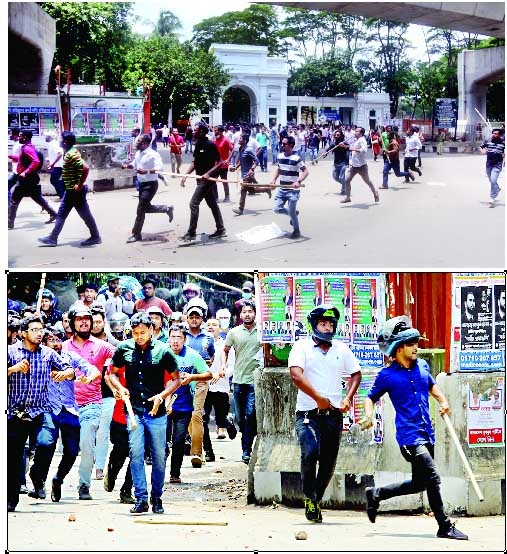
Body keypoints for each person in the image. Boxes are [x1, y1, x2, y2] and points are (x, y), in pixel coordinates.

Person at [359, 315, 468, 541]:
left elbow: (431, 385)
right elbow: (370, 398)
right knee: (433, 476)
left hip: (427, 433)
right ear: (398, 349)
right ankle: (444, 525)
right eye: (410, 344)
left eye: (416, 342)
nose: (416, 346)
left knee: (420, 483)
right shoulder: (386, 375)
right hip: (409, 438)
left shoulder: (422, 365)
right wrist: (368, 416)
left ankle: (376, 494)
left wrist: (444, 402)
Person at [288, 304, 362, 523]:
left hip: (334, 415)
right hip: (308, 413)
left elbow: (355, 374)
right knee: (310, 452)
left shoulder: (341, 349)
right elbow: (296, 376)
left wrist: (347, 398)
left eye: (330, 324)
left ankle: (315, 500)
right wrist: (318, 398)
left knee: (329, 462)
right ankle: (309, 496)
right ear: (314, 325)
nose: (327, 328)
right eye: (323, 323)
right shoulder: (301, 347)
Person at [107, 312, 180, 514]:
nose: (139, 336)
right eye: (135, 332)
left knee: (158, 456)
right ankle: (141, 498)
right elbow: (112, 373)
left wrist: (162, 396)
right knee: (136, 453)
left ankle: (157, 497)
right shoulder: (123, 349)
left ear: (151, 330)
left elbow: (176, 379)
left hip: (157, 413)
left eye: (143, 332)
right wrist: (120, 388)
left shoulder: (163, 350)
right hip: (134, 410)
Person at [7, 315, 74, 512]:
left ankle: (37, 475)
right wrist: (12, 369)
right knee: (13, 456)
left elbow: (69, 369)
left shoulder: (48, 353)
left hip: (41, 411)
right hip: (15, 413)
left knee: (47, 443)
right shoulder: (10, 352)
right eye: (34, 330)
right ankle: (11, 498)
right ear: (23, 333)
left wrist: (65, 374)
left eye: (41, 329)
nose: (39, 333)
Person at [33, 326, 100, 502]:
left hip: (70, 409)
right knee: (46, 444)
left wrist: (90, 377)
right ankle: (37, 478)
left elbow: (91, 369)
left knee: (71, 451)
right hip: (48, 408)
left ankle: (58, 479)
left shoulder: (70, 357)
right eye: (51, 340)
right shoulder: (38, 357)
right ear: (44, 342)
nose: (55, 344)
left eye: (58, 340)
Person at [63, 303, 115, 500]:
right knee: (65, 448)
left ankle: (84, 485)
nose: (84, 322)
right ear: (72, 323)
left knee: (87, 445)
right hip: (66, 406)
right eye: (79, 319)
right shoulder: (63, 347)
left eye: (87, 319)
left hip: (92, 404)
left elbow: (122, 355)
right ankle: (54, 479)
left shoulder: (102, 346)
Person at [166, 323, 212, 484]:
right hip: (163, 405)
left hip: (184, 404)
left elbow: (208, 374)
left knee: (178, 440)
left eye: (179, 338)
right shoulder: (161, 354)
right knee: (161, 441)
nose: (175, 341)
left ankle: (175, 473)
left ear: (185, 339)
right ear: (168, 339)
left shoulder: (192, 355)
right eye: (173, 337)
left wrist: (192, 378)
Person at [38, 131, 101, 247]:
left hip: (75, 191)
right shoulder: (68, 152)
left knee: (79, 214)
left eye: (61, 139)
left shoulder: (71, 154)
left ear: (65, 142)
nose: (59, 141)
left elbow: (86, 168)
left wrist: (80, 184)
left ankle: (95, 236)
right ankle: (53, 238)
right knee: (71, 213)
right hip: (71, 190)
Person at [222, 300, 262, 464]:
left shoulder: (261, 332)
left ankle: (246, 449)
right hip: (238, 379)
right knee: (240, 417)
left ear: (255, 313)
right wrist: (224, 367)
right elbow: (225, 350)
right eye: (244, 312)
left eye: (250, 311)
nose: (247, 314)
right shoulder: (234, 332)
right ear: (240, 315)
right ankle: (233, 422)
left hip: (255, 380)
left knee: (251, 414)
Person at [122, 133, 173, 244]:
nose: (136, 142)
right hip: (142, 184)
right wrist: (127, 165)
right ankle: (166, 208)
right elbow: (135, 164)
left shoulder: (153, 154)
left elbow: (160, 168)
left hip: (151, 185)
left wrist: (147, 171)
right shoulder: (138, 153)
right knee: (146, 208)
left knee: (140, 209)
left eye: (139, 140)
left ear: (144, 143)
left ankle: (136, 234)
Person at [179, 123, 226, 242]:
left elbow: (220, 162)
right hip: (199, 179)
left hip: (207, 181)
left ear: (201, 132)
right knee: (212, 204)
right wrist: (186, 175)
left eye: (195, 131)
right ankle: (221, 229)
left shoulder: (210, 145)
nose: (193, 132)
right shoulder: (198, 144)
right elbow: (195, 162)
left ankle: (191, 233)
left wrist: (208, 174)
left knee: (193, 203)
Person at [8, 130, 58, 230]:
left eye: (21, 136)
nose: (19, 137)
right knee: (36, 197)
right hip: (30, 178)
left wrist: (25, 172)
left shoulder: (27, 148)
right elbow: (24, 159)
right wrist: (11, 157)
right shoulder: (28, 147)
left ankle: (9, 223)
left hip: (26, 179)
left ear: (25, 137)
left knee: (14, 200)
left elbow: (36, 161)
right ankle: (53, 214)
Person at [185, 302, 214, 468]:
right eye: (191, 317)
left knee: (196, 414)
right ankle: (199, 449)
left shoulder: (208, 338)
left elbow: (212, 356)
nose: (194, 320)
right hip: (183, 381)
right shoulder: (182, 336)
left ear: (202, 319)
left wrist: (208, 365)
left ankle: (196, 452)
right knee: (189, 417)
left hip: (201, 380)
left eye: (197, 317)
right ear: (187, 319)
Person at [203, 317, 236, 462]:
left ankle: (227, 422)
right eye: (208, 325)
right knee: (202, 420)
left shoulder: (225, 346)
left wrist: (223, 374)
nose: (211, 327)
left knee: (220, 419)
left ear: (220, 328)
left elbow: (232, 366)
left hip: (221, 386)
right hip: (203, 386)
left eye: (214, 325)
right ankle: (208, 451)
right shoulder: (201, 344)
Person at [270, 135, 309, 239]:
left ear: (291, 145)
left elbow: (306, 171)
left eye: (284, 144)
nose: (282, 145)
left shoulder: (297, 158)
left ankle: (296, 231)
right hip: (282, 189)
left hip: (293, 190)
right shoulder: (280, 156)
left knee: (291, 212)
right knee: (277, 209)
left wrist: (298, 181)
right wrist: (274, 180)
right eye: (282, 143)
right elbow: (279, 169)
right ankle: (293, 214)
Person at [231, 133, 271, 215]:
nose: (239, 140)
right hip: (244, 173)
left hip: (248, 174)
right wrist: (235, 167)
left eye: (241, 139)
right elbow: (241, 161)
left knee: (243, 190)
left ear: (245, 141)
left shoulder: (249, 150)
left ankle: (240, 209)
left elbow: (257, 161)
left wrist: (252, 169)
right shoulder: (241, 148)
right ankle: (266, 189)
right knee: (251, 190)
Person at [341, 127, 380, 205]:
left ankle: (375, 193)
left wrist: (349, 148)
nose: (355, 132)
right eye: (355, 131)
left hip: (362, 166)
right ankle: (348, 197)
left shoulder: (362, 140)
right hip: (353, 165)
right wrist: (344, 146)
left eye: (357, 131)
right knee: (347, 180)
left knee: (367, 181)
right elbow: (351, 148)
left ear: (361, 133)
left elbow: (363, 150)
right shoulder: (356, 140)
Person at [480, 128, 504, 206]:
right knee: (491, 180)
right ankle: (497, 188)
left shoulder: (503, 143)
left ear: (499, 135)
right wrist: (482, 150)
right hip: (489, 164)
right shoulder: (488, 141)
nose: (493, 135)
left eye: (495, 133)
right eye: (493, 133)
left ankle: (492, 198)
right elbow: (481, 147)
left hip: (497, 165)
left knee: (493, 180)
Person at [323, 129, 348, 195]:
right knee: (335, 177)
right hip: (336, 163)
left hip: (343, 163)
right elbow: (327, 150)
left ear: (341, 136)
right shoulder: (333, 144)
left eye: (338, 135)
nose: (336, 136)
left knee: (342, 177)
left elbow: (349, 148)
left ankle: (343, 190)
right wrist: (325, 153)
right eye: (335, 135)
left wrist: (344, 146)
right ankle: (345, 184)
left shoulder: (344, 143)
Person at [213, 124, 233, 202]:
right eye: (214, 130)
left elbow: (233, 149)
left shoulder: (226, 140)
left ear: (221, 131)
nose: (214, 132)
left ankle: (227, 196)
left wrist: (228, 159)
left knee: (224, 181)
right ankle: (216, 197)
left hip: (223, 166)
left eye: (216, 130)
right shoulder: (214, 140)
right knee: (213, 181)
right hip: (215, 165)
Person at [45, 132, 66, 198]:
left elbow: (60, 154)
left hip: (57, 166)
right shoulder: (52, 144)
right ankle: (63, 195)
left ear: (50, 137)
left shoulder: (54, 144)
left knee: (53, 180)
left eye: (46, 136)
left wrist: (52, 164)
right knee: (56, 180)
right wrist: (50, 159)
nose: (45, 138)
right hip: (56, 165)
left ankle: (63, 196)